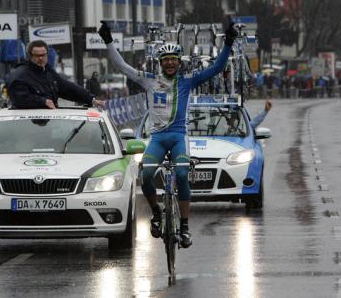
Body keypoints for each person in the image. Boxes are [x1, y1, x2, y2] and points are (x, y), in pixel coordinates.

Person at [98, 21, 237, 248]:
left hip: (178, 138)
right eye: (166, 60)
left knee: (182, 175)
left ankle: (184, 226)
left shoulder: (187, 81)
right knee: (146, 176)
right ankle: (156, 213)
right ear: (161, 63)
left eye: (174, 60)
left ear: (178, 63)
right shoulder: (149, 79)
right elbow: (122, 66)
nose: (170, 63)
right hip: (158, 139)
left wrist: (229, 43)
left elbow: (216, 68)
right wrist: (108, 41)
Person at [8, 40, 105, 109]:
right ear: (30, 56)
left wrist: (91, 99)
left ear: (47, 55)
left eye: (43, 55)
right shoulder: (20, 74)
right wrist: (43, 101)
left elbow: (66, 87)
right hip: (27, 124)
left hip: (50, 121)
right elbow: (19, 97)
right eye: (37, 56)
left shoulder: (47, 71)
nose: (41, 58)